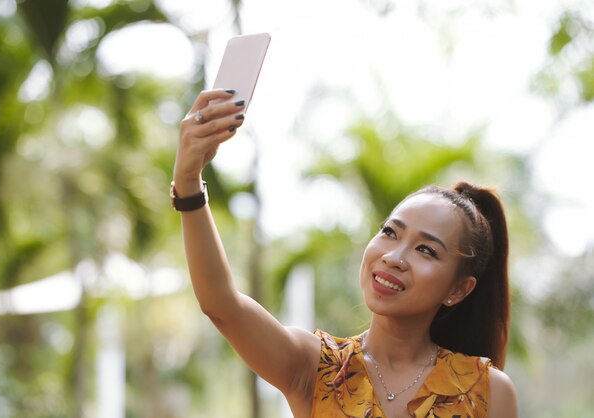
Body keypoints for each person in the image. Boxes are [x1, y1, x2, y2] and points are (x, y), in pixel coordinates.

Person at [171, 88, 519, 418]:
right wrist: (188, 183)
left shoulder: (487, 392)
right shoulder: (317, 367)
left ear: (459, 289)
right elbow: (221, 303)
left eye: (426, 250)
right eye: (389, 232)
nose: (394, 257)